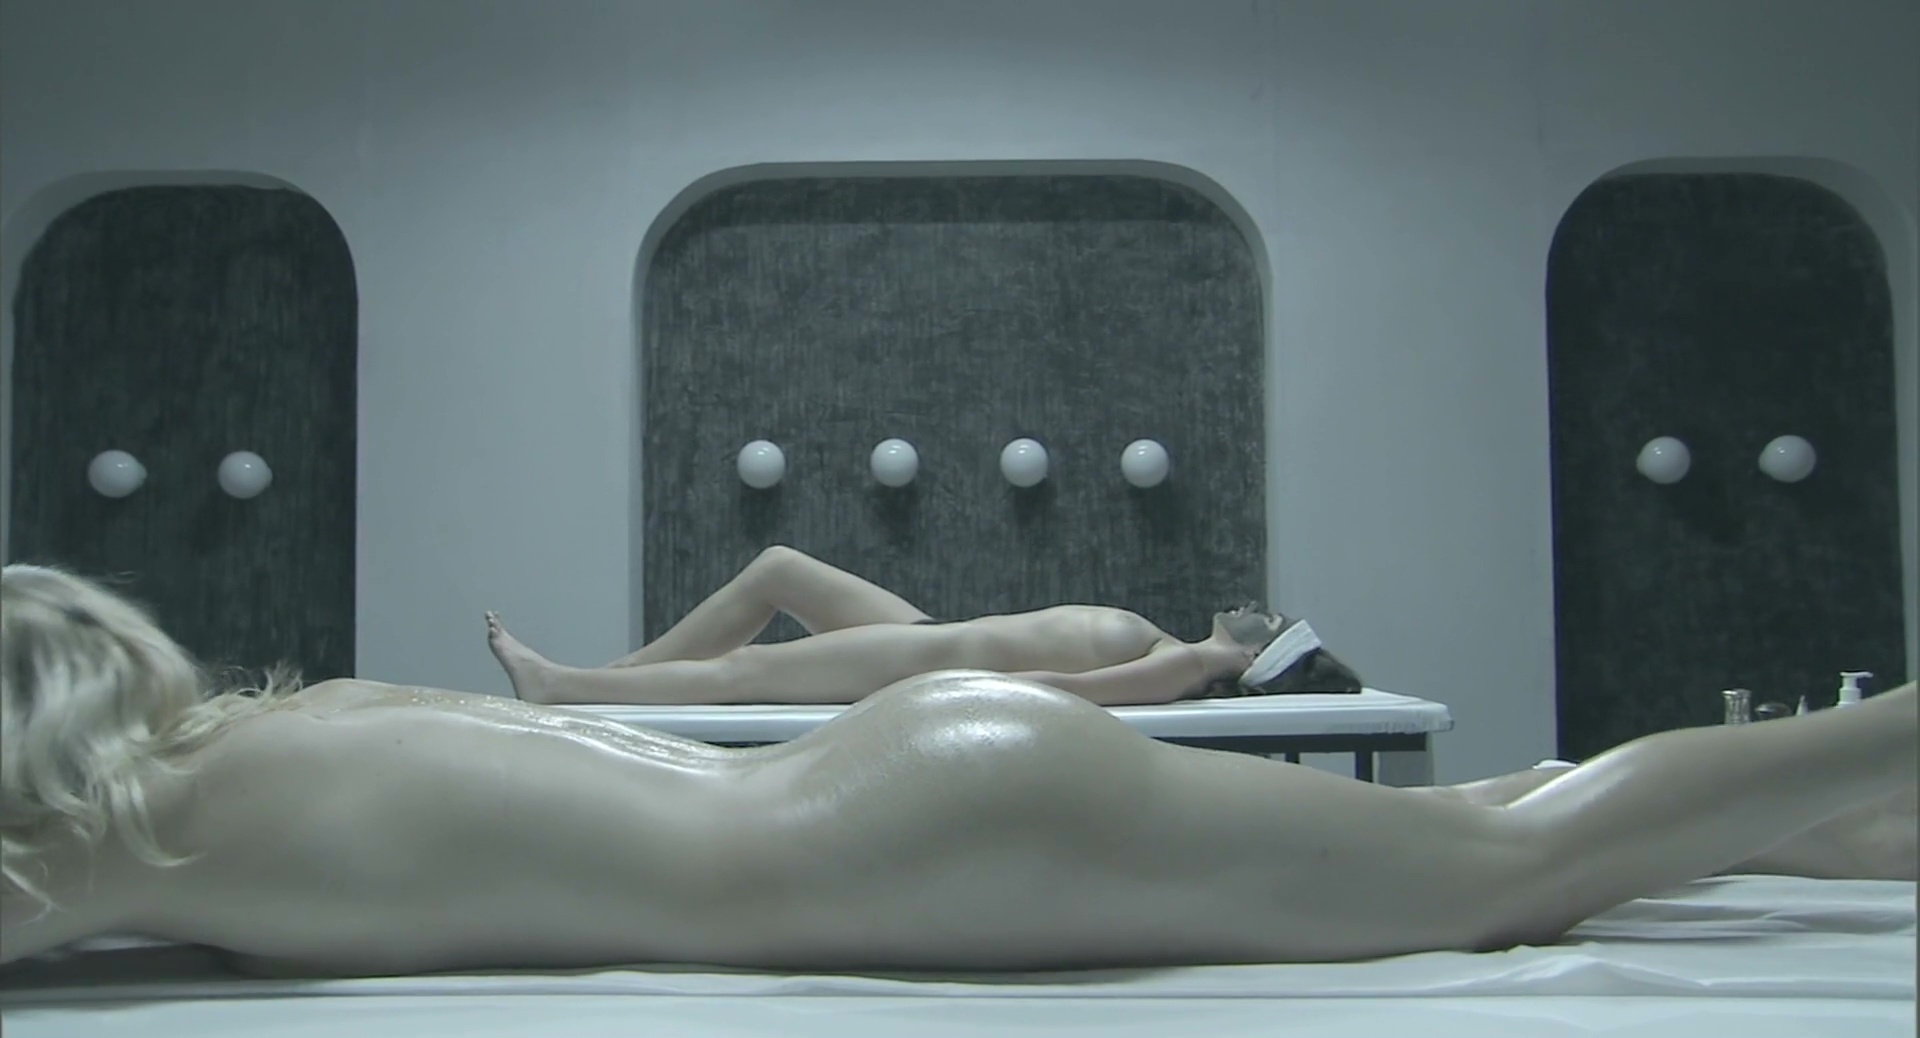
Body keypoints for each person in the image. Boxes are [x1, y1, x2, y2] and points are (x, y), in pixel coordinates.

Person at [1, 563, 1913, 978]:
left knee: (1508, 855)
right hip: (918, 788)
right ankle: (1858, 821)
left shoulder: (128, 830)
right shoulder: (252, 734)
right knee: (1492, 829)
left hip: (933, 821)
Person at [485, 545, 1360, 706]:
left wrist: (934, 695)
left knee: (749, 673)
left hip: (925, 664)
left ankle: (561, 687)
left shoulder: (1184, 665)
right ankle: (619, 676)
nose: (1255, 604)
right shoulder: (1174, 650)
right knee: (779, 569)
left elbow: (1064, 691)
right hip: (934, 634)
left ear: (1256, 651)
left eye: (1268, 620)